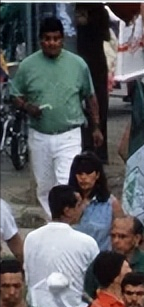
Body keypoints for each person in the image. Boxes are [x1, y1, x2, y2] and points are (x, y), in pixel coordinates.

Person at [9, 17, 101, 216]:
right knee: (44, 187)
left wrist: (96, 127)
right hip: (39, 134)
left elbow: (90, 97)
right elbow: (14, 95)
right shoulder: (27, 65)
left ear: (62, 39)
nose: (52, 43)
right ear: (41, 40)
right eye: (47, 39)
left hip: (69, 134)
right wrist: (27, 107)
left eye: (56, 39)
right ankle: (54, 225)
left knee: (66, 184)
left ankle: (68, 226)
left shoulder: (78, 65)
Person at [23, 186, 98, 307]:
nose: (82, 208)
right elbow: (96, 278)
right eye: (78, 205)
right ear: (67, 211)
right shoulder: (86, 242)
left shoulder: (31, 238)